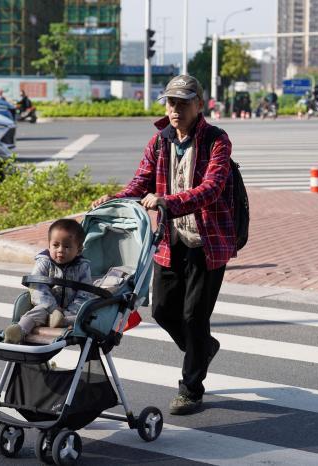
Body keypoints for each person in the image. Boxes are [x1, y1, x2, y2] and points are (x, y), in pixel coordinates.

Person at [91, 74, 236, 416]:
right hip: (170, 241)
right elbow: (140, 183)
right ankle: (201, 350)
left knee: (194, 316)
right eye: (172, 102)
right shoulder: (160, 142)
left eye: (184, 102)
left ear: (200, 105)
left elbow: (212, 188)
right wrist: (113, 199)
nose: (176, 109)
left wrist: (168, 202)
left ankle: (191, 389)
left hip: (208, 242)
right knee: (162, 311)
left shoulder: (217, 141)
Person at [3, 219, 93, 344]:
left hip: (70, 311)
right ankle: (18, 330)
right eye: (56, 245)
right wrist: (53, 308)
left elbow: (84, 294)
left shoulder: (82, 267)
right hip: (46, 307)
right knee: (34, 313)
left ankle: (60, 321)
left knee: (82, 318)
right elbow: (37, 288)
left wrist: (67, 312)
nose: (60, 250)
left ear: (78, 250)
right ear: (49, 245)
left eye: (67, 246)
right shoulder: (44, 262)